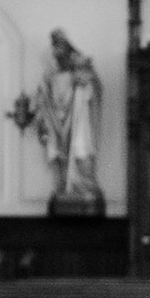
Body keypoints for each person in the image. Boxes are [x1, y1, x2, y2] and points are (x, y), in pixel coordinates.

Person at [31, 29, 104, 212]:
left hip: (80, 121)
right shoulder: (52, 75)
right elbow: (44, 96)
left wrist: (85, 83)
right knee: (62, 156)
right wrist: (43, 108)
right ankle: (66, 188)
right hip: (59, 124)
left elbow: (94, 90)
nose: (58, 53)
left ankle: (85, 188)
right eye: (55, 48)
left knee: (81, 152)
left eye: (61, 47)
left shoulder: (82, 70)